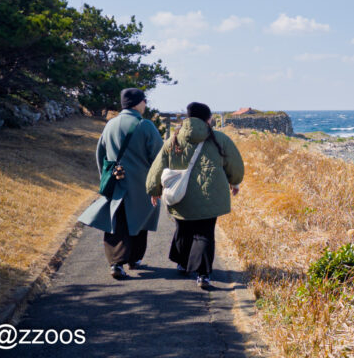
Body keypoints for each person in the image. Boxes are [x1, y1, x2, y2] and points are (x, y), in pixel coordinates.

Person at [146, 102, 244, 289]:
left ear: (187, 118)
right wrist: (235, 181)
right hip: (210, 195)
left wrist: (154, 190)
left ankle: (182, 263)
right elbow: (234, 163)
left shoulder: (173, 140)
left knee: (183, 228)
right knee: (205, 234)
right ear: (208, 119)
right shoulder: (219, 139)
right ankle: (203, 274)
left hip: (180, 195)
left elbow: (158, 166)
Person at [78, 88, 164, 279]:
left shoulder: (110, 124)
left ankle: (116, 263)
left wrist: (106, 176)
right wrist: (158, 184)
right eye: (144, 101)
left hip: (117, 182)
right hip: (141, 184)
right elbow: (159, 157)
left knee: (117, 222)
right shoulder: (146, 125)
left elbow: (100, 154)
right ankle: (134, 259)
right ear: (136, 103)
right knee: (139, 221)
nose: (145, 104)